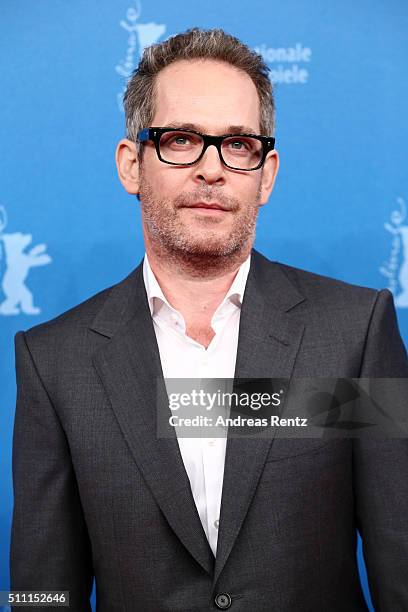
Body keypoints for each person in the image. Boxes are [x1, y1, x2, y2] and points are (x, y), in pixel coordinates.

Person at [11, 28, 408, 612]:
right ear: (131, 166)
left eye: (238, 145)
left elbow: (401, 556)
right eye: (181, 139)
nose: (211, 169)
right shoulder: (55, 362)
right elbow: (41, 593)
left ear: (266, 174)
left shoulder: (354, 332)